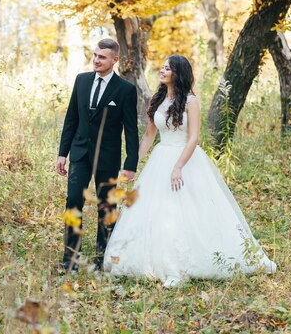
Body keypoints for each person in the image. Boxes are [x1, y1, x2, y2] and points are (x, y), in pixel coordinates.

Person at [103, 55, 276, 287]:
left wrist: (178, 167)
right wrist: (132, 165)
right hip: (159, 158)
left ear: (178, 73)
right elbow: (148, 136)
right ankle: (151, 260)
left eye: (167, 68)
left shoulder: (191, 101)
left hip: (185, 159)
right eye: (162, 67)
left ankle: (184, 263)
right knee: (153, 210)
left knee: (186, 211)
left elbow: (194, 138)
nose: (162, 71)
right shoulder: (158, 99)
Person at [57, 38, 139, 272]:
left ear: (114, 60)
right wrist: (63, 153)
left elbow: (131, 130)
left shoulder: (125, 90)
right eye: (94, 55)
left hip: (108, 157)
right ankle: (70, 259)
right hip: (80, 154)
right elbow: (71, 118)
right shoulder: (81, 81)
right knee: (73, 202)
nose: (96, 60)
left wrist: (130, 164)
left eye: (102, 57)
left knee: (106, 206)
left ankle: (103, 258)